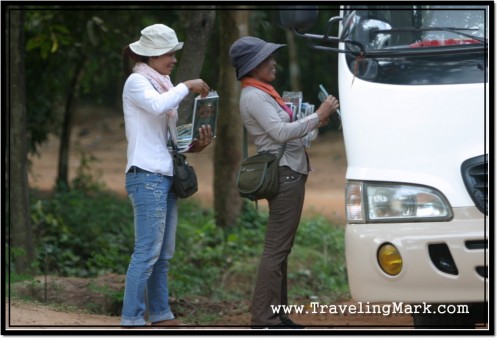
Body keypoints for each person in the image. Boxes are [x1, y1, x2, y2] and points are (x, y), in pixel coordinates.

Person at [229, 36, 339, 329]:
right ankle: (264, 319)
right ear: (253, 66)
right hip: (285, 174)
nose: (273, 62)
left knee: (282, 249)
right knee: (276, 248)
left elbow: (294, 134)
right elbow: (279, 133)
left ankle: (277, 314)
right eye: (267, 59)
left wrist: (316, 122)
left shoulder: (265, 93)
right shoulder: (254, 95)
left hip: (291, 169)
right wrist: (317, 115)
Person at [120, 23, 212, 327]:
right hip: (146, 175)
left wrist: (196, 144)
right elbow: (159, 107)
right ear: (153, 55)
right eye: (169, 53)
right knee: (147, 251)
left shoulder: (161, 83)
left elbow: (166, 137)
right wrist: (186, 86)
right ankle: (132, 320)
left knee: (162, 254)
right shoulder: (137, 82)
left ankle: (160, 315)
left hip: (163, 174)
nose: (173, 58)